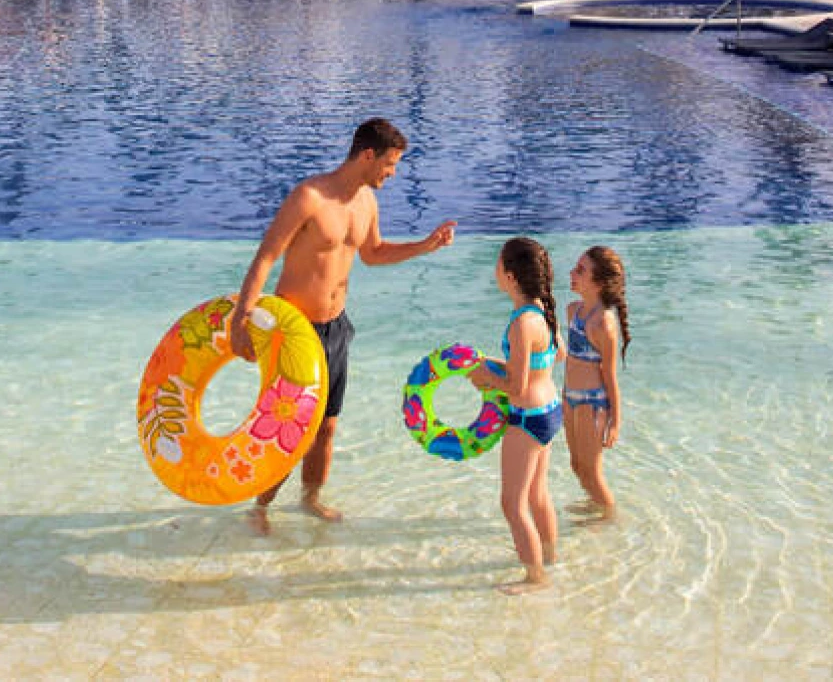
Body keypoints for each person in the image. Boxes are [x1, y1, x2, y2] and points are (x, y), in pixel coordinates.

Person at [230, 118, 456, 526]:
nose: (392, 174)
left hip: (336, 327)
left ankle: (309, 497)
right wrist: (240, 318)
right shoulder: (309, 197)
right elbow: (266, 257)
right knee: (290, 426)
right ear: (367, 155)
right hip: (295, 331)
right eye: (389, 165)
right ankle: (259, 507)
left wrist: (425, 246)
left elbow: (373, 253)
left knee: (327, 427)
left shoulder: (366, 202)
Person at [467, 236, 560, 593]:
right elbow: (545, 363)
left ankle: (536, 577)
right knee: (539, 494)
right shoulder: (543, 312)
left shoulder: (522, 323)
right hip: (549, 411)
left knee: (512, 503)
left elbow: (517, 389)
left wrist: (487, 379)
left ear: (510, 276)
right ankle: (549, 556)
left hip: (527, 417)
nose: (494, 270)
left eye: (497, 263)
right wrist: (498, 366)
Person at [563, 245, 628, 520]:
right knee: (577, 465)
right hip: (569, 397)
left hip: (592, 403)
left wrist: (615, 419)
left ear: (599, 283)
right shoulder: (573, 311)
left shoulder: (604, 323)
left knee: (592, 470)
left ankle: (610, 517)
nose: (572, 273)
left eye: (581, 270)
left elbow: (610, 374)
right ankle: (596, 504)